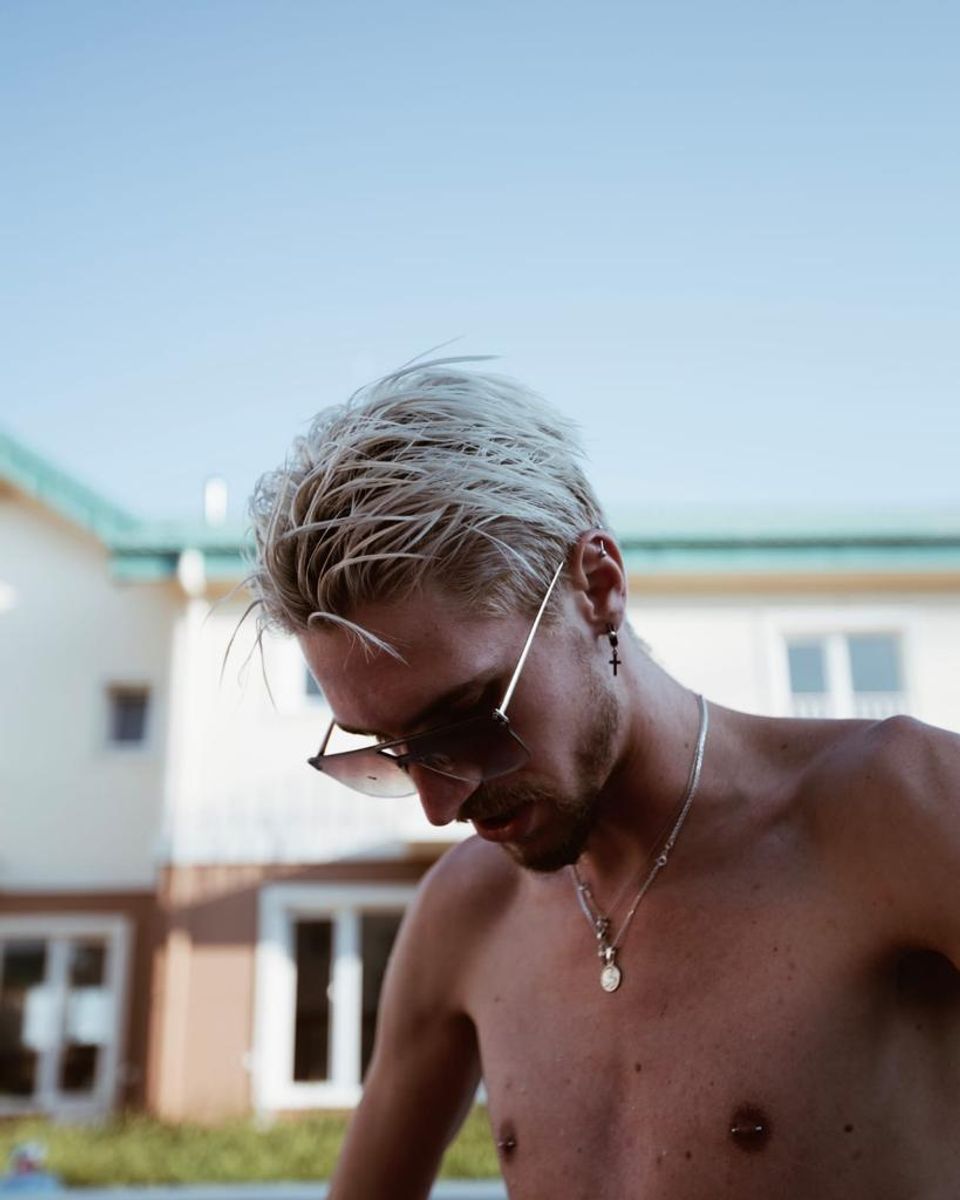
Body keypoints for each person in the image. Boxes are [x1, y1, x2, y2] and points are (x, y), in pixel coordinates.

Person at [248, 361, 960, 1199]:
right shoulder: (463, 914)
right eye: (392, 752)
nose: (441, 805)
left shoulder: (897, 808)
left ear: (598, 587)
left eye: (469, 718)